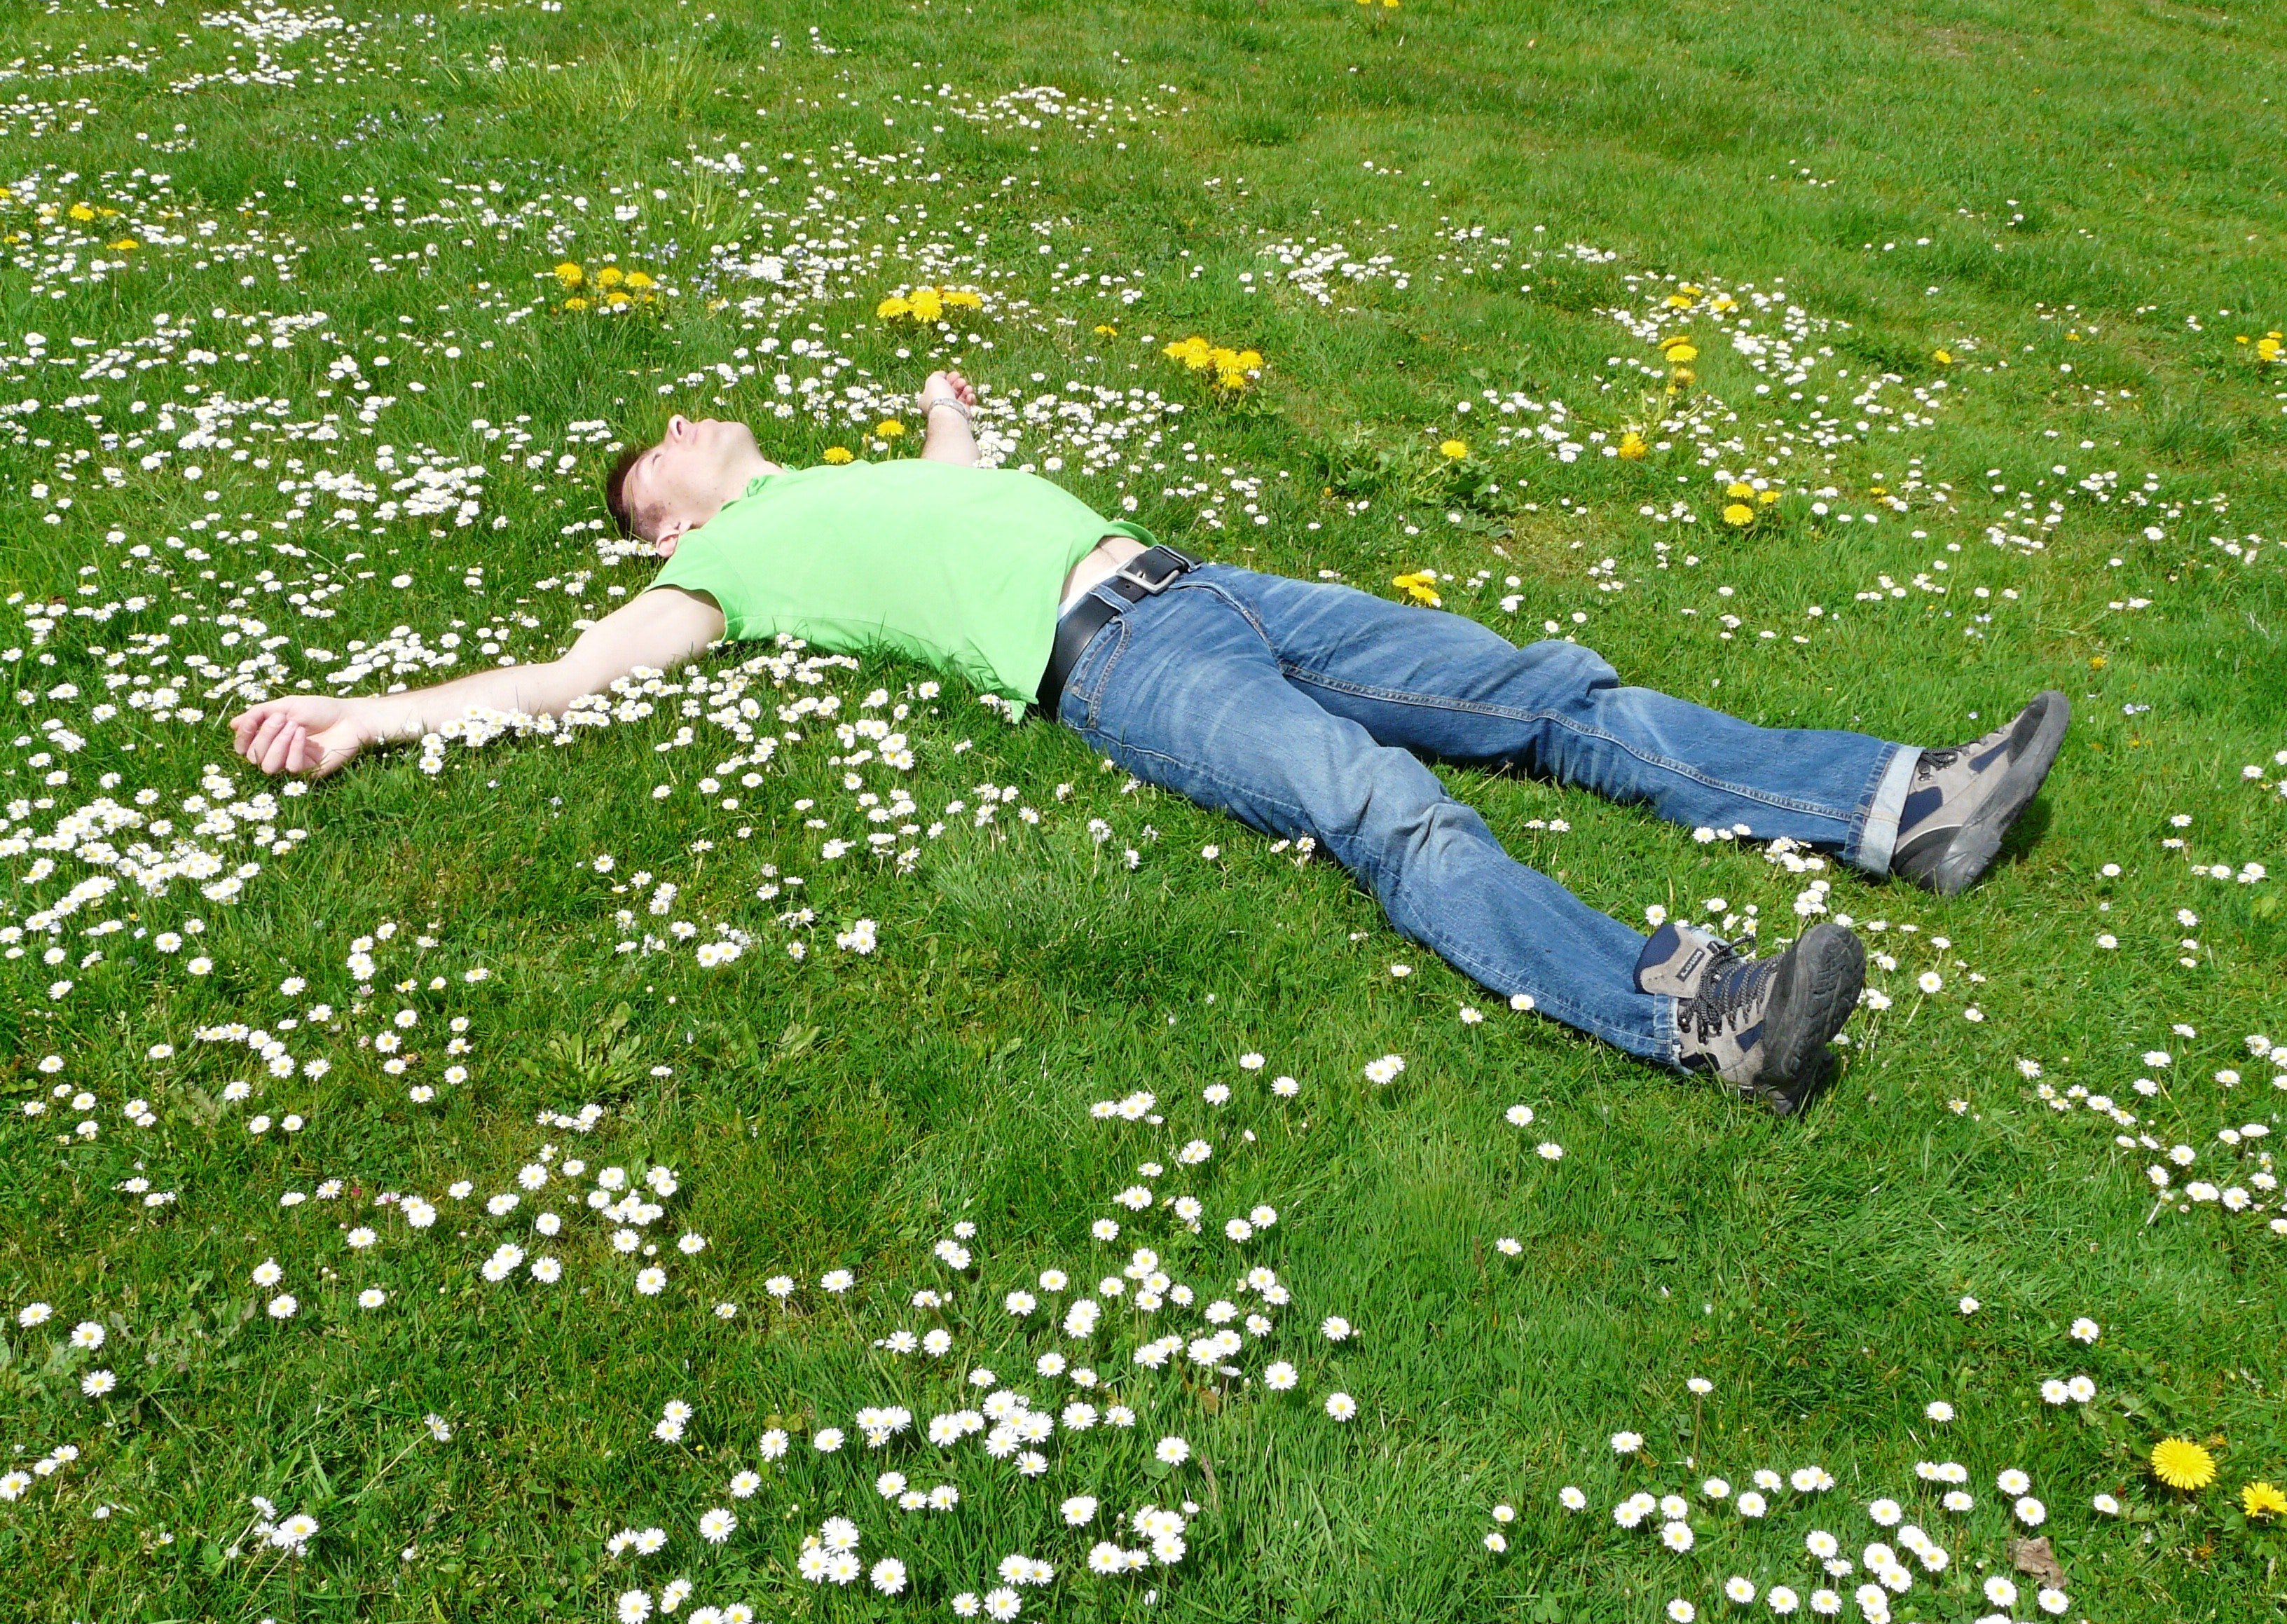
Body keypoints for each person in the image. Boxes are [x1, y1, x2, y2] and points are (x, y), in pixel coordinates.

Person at [230, 368, 2070, 1114]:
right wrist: (367, 716)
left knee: (1538, 685)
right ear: (666, 524)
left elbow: (959, 486)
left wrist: (951, 413)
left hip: (1208, 584)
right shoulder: (721, 573)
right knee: (1383, 807)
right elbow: (562, 684)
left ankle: (1901, 806)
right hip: (1110, 665)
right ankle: (1703, 1014)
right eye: (667, 463)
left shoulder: (845, 478)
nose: (698, 430)